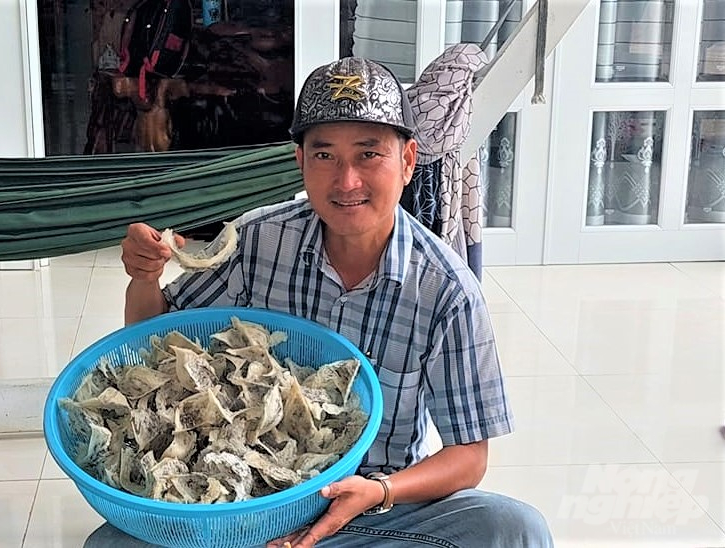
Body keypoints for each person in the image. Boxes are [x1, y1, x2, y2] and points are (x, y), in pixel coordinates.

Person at [86, 57, 553, 548]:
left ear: (409, 160)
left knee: (512, 528)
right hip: (236, 508)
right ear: (300, 162)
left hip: (365, 506)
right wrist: (145, 275)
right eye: (325, 155)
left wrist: (380, 491)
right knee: (109, 545)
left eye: (369, 154)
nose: (346, 181)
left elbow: (469, 456)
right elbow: (153, 342)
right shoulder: (258, 240)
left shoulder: (446, 290)